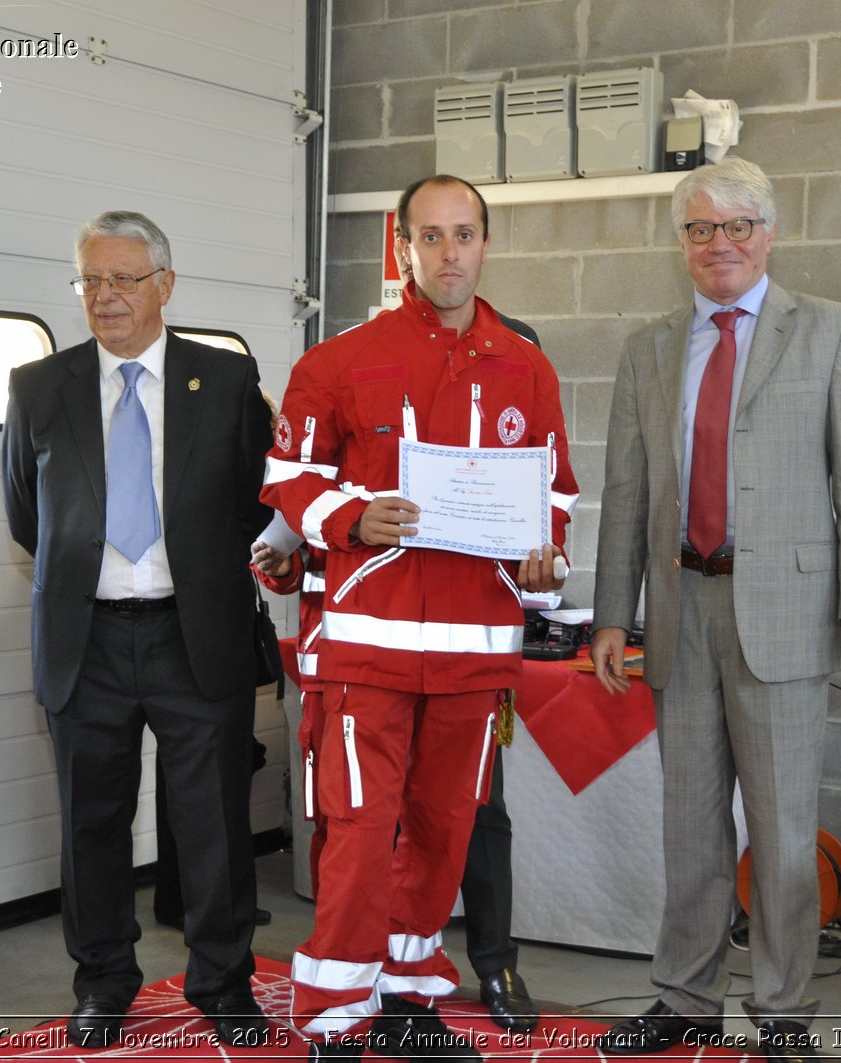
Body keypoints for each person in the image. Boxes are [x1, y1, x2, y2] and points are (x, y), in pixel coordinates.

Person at [261, 174, 577, 1061]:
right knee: (359, 829)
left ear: (485, 243)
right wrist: (351, 518)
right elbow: (288, 475)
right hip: (369, 649)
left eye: (464, 235)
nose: (449, 254)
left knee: (445, 826)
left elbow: (553, 490)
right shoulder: (339, 359)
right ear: (401, 246)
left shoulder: (527, 364)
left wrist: (542, 550)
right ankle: (333, 1016)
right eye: (430, 237)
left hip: (475, 653)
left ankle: (406, 993)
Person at [588, 159, 841, 1063]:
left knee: (786, 835)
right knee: (689, 829)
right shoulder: (647, 345)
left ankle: (784, 1014)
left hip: (790, 618)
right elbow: (627, 489)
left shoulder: (831, 332)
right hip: (681, 608)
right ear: (681, 242)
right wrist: (614, 613)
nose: (719, 244)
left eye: (737, 226)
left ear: (770, 231)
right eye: (699, 229)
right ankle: (684, 1000)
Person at [0, 211, 273, 1050]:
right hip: (85, 639)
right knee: (91, 823)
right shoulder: (37, 387)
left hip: (195, 635)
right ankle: (104, 982)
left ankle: (224, 983)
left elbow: (255, 504)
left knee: (215, 821)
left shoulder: (226, 381)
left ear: (166, 284)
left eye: (123, 278)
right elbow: (24, 514)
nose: (105, 296)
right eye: (90, 279)